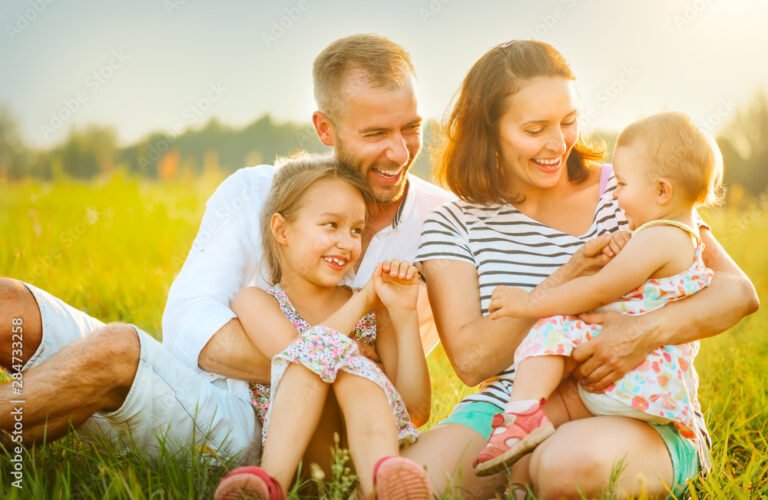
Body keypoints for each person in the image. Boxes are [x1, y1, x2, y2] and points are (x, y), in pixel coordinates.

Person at [0, 34, 453, 465]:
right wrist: (334, 360)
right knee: (9, 304)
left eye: (411, 127)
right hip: (192, 385)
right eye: (375, 134)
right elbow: (187, 321)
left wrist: (320, 373)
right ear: (325, 128)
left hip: (257, 430)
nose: (399, 151)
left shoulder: (446, 223)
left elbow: (422, 395)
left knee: (119, 348)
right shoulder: (255, 191)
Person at [401, 40, 758, 498]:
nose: (558, 143)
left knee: (565, 466)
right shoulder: (453, 224)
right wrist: (565, 277)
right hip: (513, 408)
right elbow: (473, 361)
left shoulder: (630, 186)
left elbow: (736, 292)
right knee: (415, 481)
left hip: (631, 405)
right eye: (535, 129)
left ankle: (542, 472)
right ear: (488, 130)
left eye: (568, 122)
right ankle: (522, 462)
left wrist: (641, 332)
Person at [472, 111, 722, 483]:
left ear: (662, 191)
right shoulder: (666, 236)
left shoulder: (661, 237)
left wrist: (530, 302)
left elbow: (599, 288)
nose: (615, 194)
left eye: (621, 184)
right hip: (633, 384)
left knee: (552, 326)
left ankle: (521, 413)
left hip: (635, 381)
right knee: (534, 446)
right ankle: (521, 479)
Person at [212, 155, 432, 499]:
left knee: (353, 368)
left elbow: (416, 411)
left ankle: (384, 484)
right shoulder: (256, 302)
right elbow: (306, 356)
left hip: (362, 456)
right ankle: (268, 484)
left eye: (356, 230)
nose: (347, 242)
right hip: (300, 458)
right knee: (321, 360)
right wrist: (359, 308)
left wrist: (402, 316)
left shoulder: (377, 308)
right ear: (281, 230)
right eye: (331, 225)